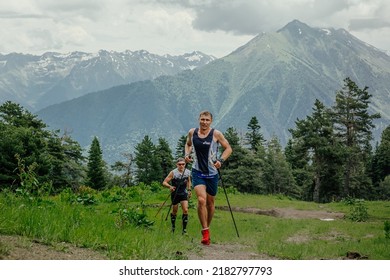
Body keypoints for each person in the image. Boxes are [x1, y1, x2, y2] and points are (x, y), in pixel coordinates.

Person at [184, 111, 232, 245]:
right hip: (197, 171)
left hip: (212, 174)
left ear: (211, 121)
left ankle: (206, 227)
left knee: (210, 204)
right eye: (202, 119)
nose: (204, 122)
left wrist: (221, 160)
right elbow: (188, 145)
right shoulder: (192, 133)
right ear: (198, 119)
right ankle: (205, 231)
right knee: (201, 199)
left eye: (207, 120)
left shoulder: (216, 134)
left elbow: (228, 148)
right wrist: (186, 155)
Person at [162, 157, 192, 234]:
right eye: (179, 164)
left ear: (185, 164)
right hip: (175, 193)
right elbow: (164, 182)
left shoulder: (188, 172)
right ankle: (173, 227)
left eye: (183, 164)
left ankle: (184, 230)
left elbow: (189, 181)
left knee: (185, 210)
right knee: (174, 211)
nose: (181, 166)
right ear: (177, 164)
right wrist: (170, 187)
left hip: (183, 193)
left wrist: (189, 190)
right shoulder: (173, 172)